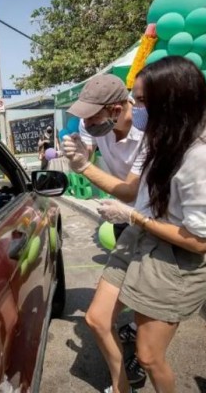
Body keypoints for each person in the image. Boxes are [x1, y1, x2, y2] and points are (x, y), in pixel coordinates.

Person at [67, 56, 206, 393]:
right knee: (96, 319)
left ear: (172, 102)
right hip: (141, 234)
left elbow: (197, 242)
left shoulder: (205, 157)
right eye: (135, 99)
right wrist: (81, 158)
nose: (135, 108)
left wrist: (132, 216)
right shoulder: (164, 137)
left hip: (175, 256)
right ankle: (121, 388)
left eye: (142, 101)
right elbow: (139, 192)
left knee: (149, 356)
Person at [63, 74, 148, 384]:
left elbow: (129, 190)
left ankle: (142, 352)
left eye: (92, 115)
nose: (86, 122)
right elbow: (86, 152)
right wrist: (77, 153)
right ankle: (136, 333)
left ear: (116, 109)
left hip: (155, 218)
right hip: (125, 217)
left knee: (146, 287)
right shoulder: (92, 125)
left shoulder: (148, 132)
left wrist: (84, 167)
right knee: (127, 286)